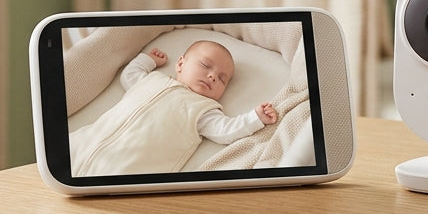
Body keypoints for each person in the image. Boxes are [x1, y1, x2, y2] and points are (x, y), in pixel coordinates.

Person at [71, 39, 278, 176]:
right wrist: (148, 60)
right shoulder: (151, 79)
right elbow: (129, 75)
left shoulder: (204, 109)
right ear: (180, 64)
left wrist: (256, 117)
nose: (213, 76)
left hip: (129, 166)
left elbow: (226, 130)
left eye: (222, 79)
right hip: (86, 141)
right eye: (205, 66)